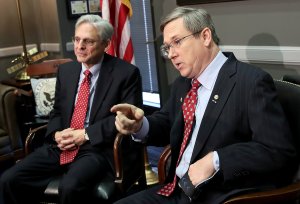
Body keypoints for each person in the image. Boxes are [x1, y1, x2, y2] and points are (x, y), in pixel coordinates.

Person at [110, 7, 296, 204]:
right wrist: (140, 126)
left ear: (205, 36)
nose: (171, 54)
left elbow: (277, 151)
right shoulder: (183, 83)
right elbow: (167, 122)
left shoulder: (251, 82)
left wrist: (217, 160)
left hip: (219, 196)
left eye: (177, 42)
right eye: (167, 47)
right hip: (176, 189)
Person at [0, 14, 142, 204]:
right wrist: (57, 134)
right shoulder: (67, 71)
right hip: (61, 144)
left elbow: (126, 118)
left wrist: (86, 134)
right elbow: (58, 110)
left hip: (96, 148)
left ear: (106, 44)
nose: (79, 46)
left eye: (88, 41)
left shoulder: (126, 73)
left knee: (70, 187)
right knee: (9, 179)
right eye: (76, 39)